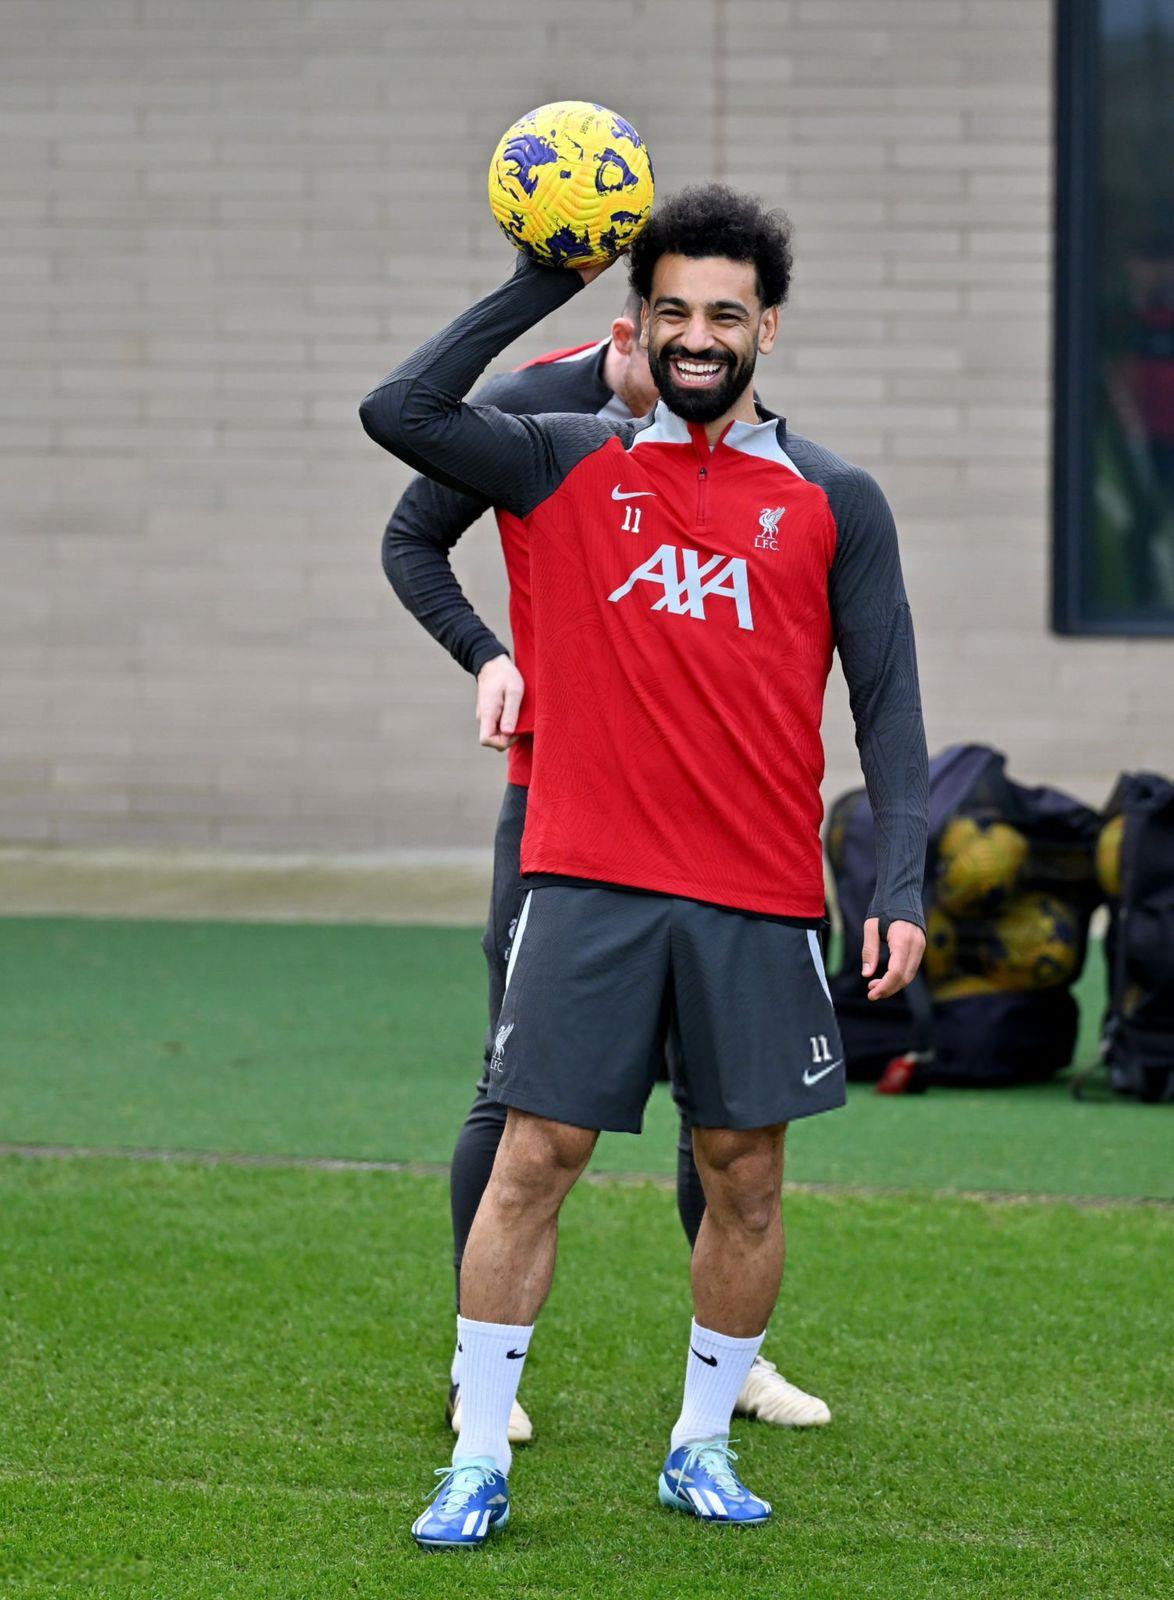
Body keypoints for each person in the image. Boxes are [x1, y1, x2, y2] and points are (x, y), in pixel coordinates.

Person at [360, 183, 928, 1548]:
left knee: (743, 1175)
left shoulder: (834, 499)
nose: (696, 335)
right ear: (637, 323)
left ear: (766, 328)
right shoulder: (559, 458)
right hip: (586, 878)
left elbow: (889, 703)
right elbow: (400, 413)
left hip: (758, 893)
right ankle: (477, 1452)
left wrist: (899, 880)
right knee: (532, 1156)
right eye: (670, 310)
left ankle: (699, 1443)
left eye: (724, 313)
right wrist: (537, 278)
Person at [382, 289, 832, 1445]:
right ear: (626, 334)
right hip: (562, 801)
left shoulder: (725, 415)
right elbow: (409, 534)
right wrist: (486, 653)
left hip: (709, 821)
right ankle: (477, 1369)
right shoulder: (533, 411)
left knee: (723, 1106)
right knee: (517, 1098)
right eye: (668, 341)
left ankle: (734, 1363)